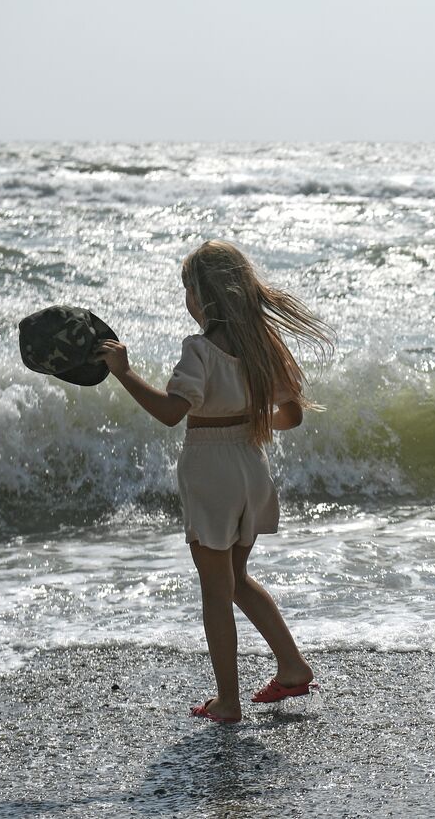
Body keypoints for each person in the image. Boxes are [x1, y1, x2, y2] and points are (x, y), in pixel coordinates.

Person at [95, 239, 335, 722]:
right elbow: (292, 416)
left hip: (211, 472)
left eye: (188, 290)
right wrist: (251, 421)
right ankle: (292, 666)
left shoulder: (199, 349)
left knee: (215, 591)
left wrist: (123, 372)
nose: (187, 299)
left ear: (202, 297)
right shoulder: (263, 345)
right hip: (251, 466)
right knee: (236, 579)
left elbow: (170, 412)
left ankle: (227, 701)